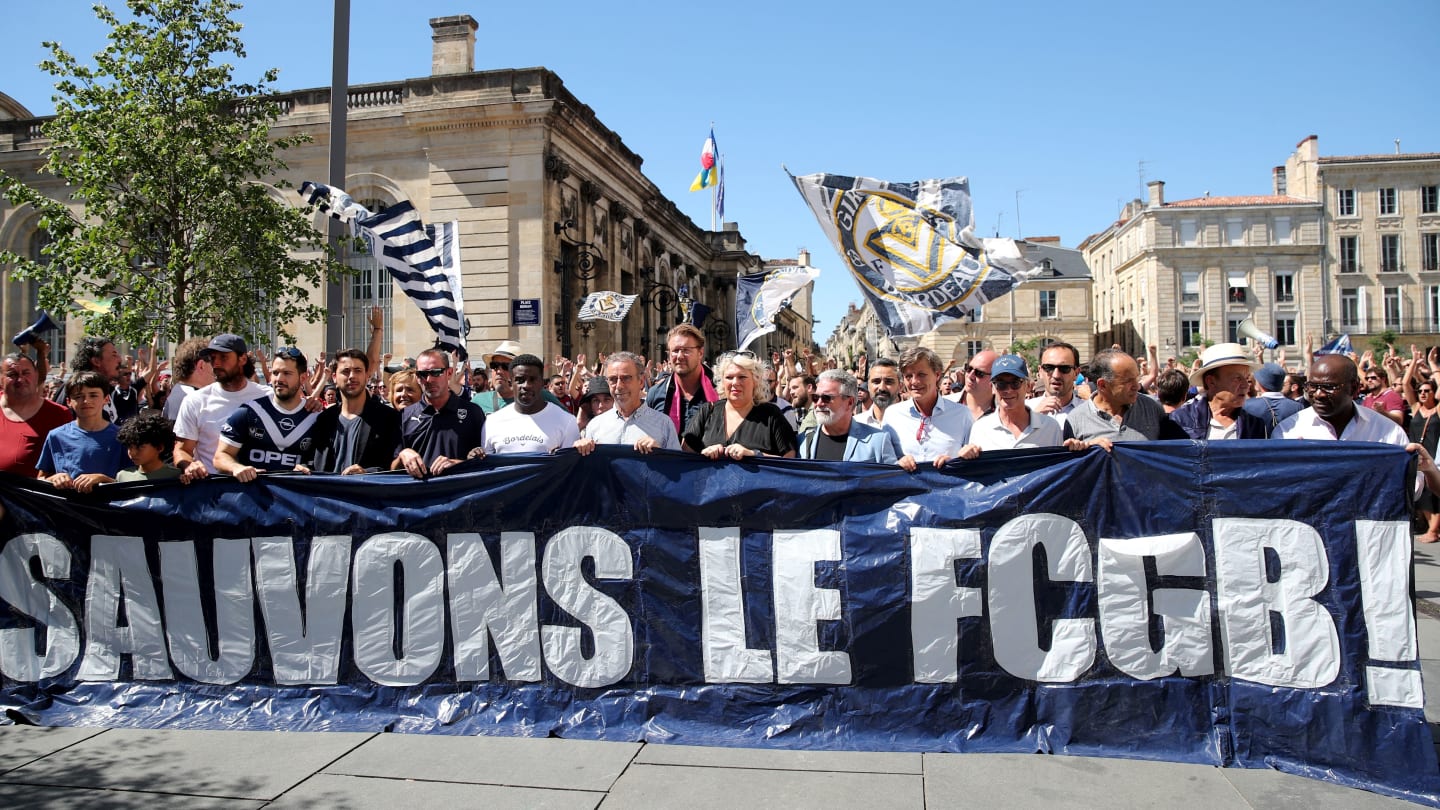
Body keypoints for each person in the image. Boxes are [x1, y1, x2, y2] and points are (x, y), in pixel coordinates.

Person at [173, 334, 271, 483]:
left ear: (242, 359)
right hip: (213, 492)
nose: (216, 364)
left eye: (223, 357)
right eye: (212, 358)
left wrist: (312, 404)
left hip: (262, 490)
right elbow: (181, 450)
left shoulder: (268, 397)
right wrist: (189, 465)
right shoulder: (195, 401)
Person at [214, 347, 321, 482]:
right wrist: (236, 467)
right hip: (253, 498)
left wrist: (307, 468)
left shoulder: (316, 417)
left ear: (303, 377)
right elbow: (220, 456)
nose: (279, 379)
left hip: (294, 500)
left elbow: (325, 464)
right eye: (275, 373)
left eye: (287, 373)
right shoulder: (249, 411)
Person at [302, 348, 402, 475]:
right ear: (334, 377)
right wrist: (303, 468)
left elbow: (395, 466)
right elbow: (312, 460)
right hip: (326, 493)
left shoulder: (388, 418)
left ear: (367, 376)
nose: (352, 376)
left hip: (365, 492)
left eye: (358, 371)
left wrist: (366, 472)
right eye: (345, 371)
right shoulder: (324, 419)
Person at [683, 351, 797, 460]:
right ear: (722, 382)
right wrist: (704, 454)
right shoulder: (707, 411)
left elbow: (790, 459)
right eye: (729, 377)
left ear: (755, 381)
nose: (735, 383)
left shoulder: (771, 414)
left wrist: (754, 454)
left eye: (742, 377)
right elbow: (685, 454)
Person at [393, 348, 486, 478]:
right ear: (417, 377)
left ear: (449, 373)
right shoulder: (405, 416)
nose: (429, 379)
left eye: (436, 372)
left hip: (460, 495)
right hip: (419, 494)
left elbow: (485, 463)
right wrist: (404, 454)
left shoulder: (472, 412)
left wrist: (458, 464)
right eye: (423, 374)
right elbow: (390, 469)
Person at [1276, 354, 1407, 445]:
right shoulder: (1287, 432)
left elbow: (1409, 481)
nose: (1319, 394)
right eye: (1313, 386)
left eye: (1329, 387)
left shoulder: (1388, 432)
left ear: (1354, 388)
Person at [1063, 348, 1179, 449]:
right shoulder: (1075, 420)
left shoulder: (1152, 408)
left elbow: (1173, 455)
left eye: (1137, 378)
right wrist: (1087, 450)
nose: (1137, 386)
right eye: (1128, 381)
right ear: (1103, 385)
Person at [883, 346, 974, 471]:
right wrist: (897, 462)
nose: (914, 381)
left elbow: (973, 460)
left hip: (949, 487)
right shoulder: (892, 415)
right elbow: (884, 461)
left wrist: (955, 463)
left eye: (921, 375)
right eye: (908, 376)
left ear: (937, 375)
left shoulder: (962, 414)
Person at [575, 352, 681, 456]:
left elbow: (677, 468)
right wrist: (580, 450)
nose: (619, 386)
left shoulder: (663, 424)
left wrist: (660, 455)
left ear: (641, 381)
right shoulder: (595, 425)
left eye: (626, 378)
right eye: (613, 379)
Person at [37, 371, 127, 492]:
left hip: (109, 507)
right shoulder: (56, 436)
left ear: (106, 399)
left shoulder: (122, 437)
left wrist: (104, 479)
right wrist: (54, 478)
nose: (86, 401)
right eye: (78, 396)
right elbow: (41, 478)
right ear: (69, 402)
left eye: (93, 395)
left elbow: (133, 481)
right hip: (66, 507)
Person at [960, 355, 1062, 455]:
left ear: (1028, 386)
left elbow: (1059, 467)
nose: (1008, 390)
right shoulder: (980, 429)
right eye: (1001, 384)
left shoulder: (1050, 428)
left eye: (1015, 383)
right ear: (992, 388)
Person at [480, 354, 581, 455]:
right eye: (520, 380)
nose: (526, 385)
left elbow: (569, 465)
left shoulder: (566, 421)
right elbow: (487, 466)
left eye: (532, 380)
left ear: (542, 383)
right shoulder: (492, 422)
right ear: (511, 382)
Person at [1168, 343, 1268, 440]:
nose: (1246, 385)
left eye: (1246, 378)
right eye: (1237, 378)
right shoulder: (1180, 421)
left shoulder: (1255, 425)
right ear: (1211, 382)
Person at [796, 369, 899, 462]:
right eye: (815, 397)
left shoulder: (878, 441)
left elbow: (891, 480)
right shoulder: (803, 441)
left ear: (849, 402)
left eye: (826, 398)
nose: (818, 403)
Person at [0, 352, 74, 477]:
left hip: (31, 495)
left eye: (26, 373)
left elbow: (70, 460)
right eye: (12, 374)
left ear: (36, 376)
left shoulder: (59, 415)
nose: (20, 379)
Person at [646, 324, 718, 436]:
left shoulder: (720, 390)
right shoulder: (656, 393)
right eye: (675, 350)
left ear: (700, 353)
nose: (679, 356)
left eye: (686, 350)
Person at [1026, 342, 1083, 428]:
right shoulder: (1025, 409)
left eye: (1064, 369)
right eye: (1049, 368)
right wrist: (1032, 419)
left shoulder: (1090, 413)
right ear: (1040, 371)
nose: (1056, 375)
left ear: (1076, 373)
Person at [1243, 362, 1305, 437]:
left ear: (1260, 382)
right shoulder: (1298, 407)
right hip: (1287, 448)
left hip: (1257, 448)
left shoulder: (1246, 406)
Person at [115, 413, 182, 482]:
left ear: (159, 448)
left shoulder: (177, 476)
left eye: (140, 447)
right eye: (129, 447)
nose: (133, 452)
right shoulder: (122, 476)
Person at [163, 336, 215, 422]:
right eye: (213, 362)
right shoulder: (192, 399)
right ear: (201, 366)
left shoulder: (179, 392)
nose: (216, 368)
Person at [950, 349, 997, 420]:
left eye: (979, 373)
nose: (970, 376)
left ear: (995, 379)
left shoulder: (1005, 413)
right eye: (969, 368)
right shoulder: (945, 406)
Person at [856, 358, 901, 429]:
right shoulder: (856, 424)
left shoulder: (911, 425)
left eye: (888, 382)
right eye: (876, 382)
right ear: (868, 386)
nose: (882, 388)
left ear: (900, 386)